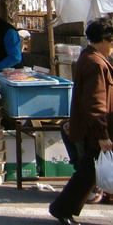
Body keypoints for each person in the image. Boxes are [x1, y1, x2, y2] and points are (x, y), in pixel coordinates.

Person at [49, 18, 113, 225]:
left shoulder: (91, 57)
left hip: (89, 128)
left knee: (89, 172)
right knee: (88, 173)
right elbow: (95, 103)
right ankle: (62, 208)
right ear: (104, 40)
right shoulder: (95, 63)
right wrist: (102, 135)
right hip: (94, 131)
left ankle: (62, 208)